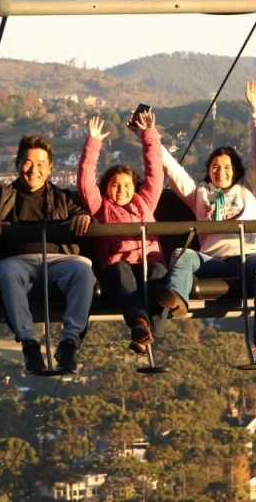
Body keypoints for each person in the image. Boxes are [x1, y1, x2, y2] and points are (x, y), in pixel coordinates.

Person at [154, 139, 256, 367]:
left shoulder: (247, 188)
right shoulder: (199, 194)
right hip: (213, 261)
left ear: (236, 170)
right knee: (182, 254)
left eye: (227, 167)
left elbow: (255, 154)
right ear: (209, 169)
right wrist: (149, 135)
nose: (221, 172)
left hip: (248, 257)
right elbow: (172, 169)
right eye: (215, 167)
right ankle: (177, 297)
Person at [0, 134, 94, 373]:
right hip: (17, 261)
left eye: (41, 164)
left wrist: (84, 217)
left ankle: (70, 342)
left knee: (83, 270)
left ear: (50, 168)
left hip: (58, 259)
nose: (34, 170)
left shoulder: (62, 198)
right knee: (8, 273)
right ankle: (29, 343)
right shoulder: (2, 198)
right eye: (28, 163)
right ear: (18, 164)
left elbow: (82, 213)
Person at [77, 110, 167, 355]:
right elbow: (85, 183)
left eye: (126, 185)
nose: (121, 190)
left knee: (159, 272)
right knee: (121, 271)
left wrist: (148, 135)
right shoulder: (101, 208)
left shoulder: (145, 202)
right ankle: (140, 322)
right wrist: (93, 143)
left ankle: (147, 331)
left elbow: (155, 173)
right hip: (119, 266)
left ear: (134, 187)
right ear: (106, 188)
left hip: (149, 261)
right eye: (115, 185)